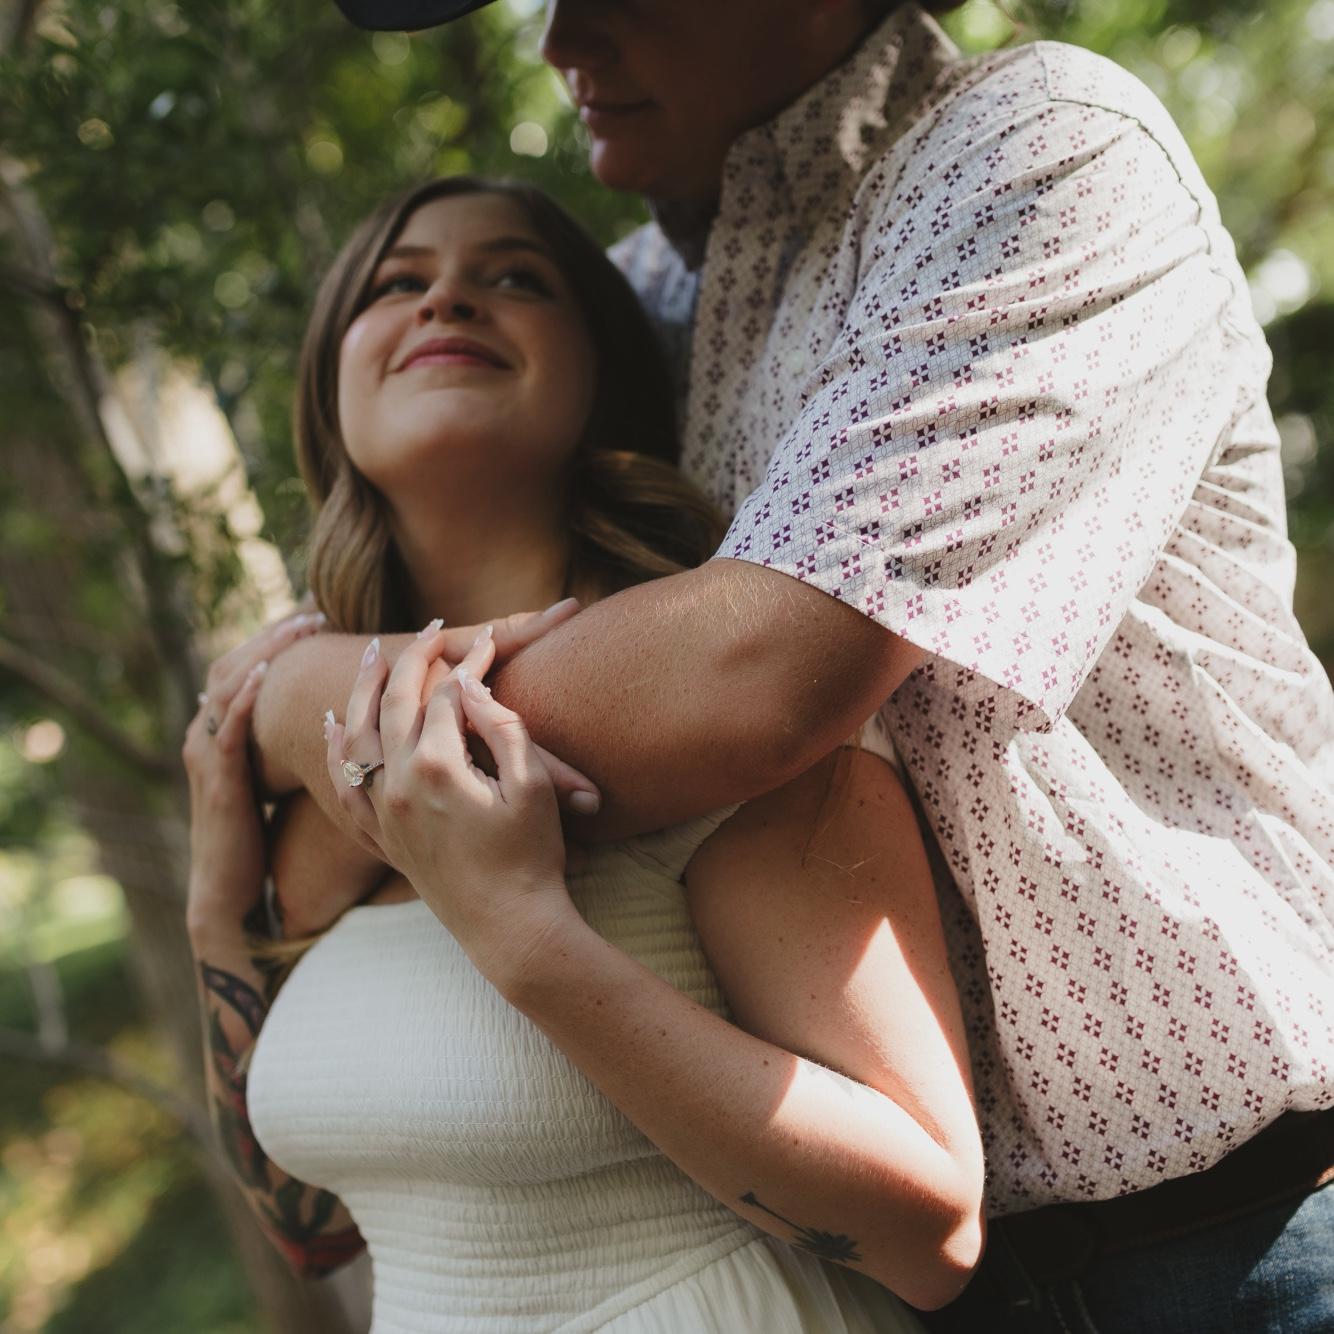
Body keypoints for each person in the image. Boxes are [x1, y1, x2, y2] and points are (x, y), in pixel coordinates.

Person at [237, 1, 1334, 1330]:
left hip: (1238, 1243)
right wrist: (255, 844)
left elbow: (752, 680)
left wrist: (297, 706)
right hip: (908, 1289)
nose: (559, 40)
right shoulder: (641, 305)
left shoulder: (1029, 151)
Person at [185, 174, 986, 1330]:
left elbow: (931, 1233)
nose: (447, 298)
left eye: (515, 277)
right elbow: (310, 1230)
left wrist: (525, 937)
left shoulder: (709, 716)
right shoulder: (322, 787)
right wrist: (218, 916)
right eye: (395, 284)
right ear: (328, 388)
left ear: (601, 369)